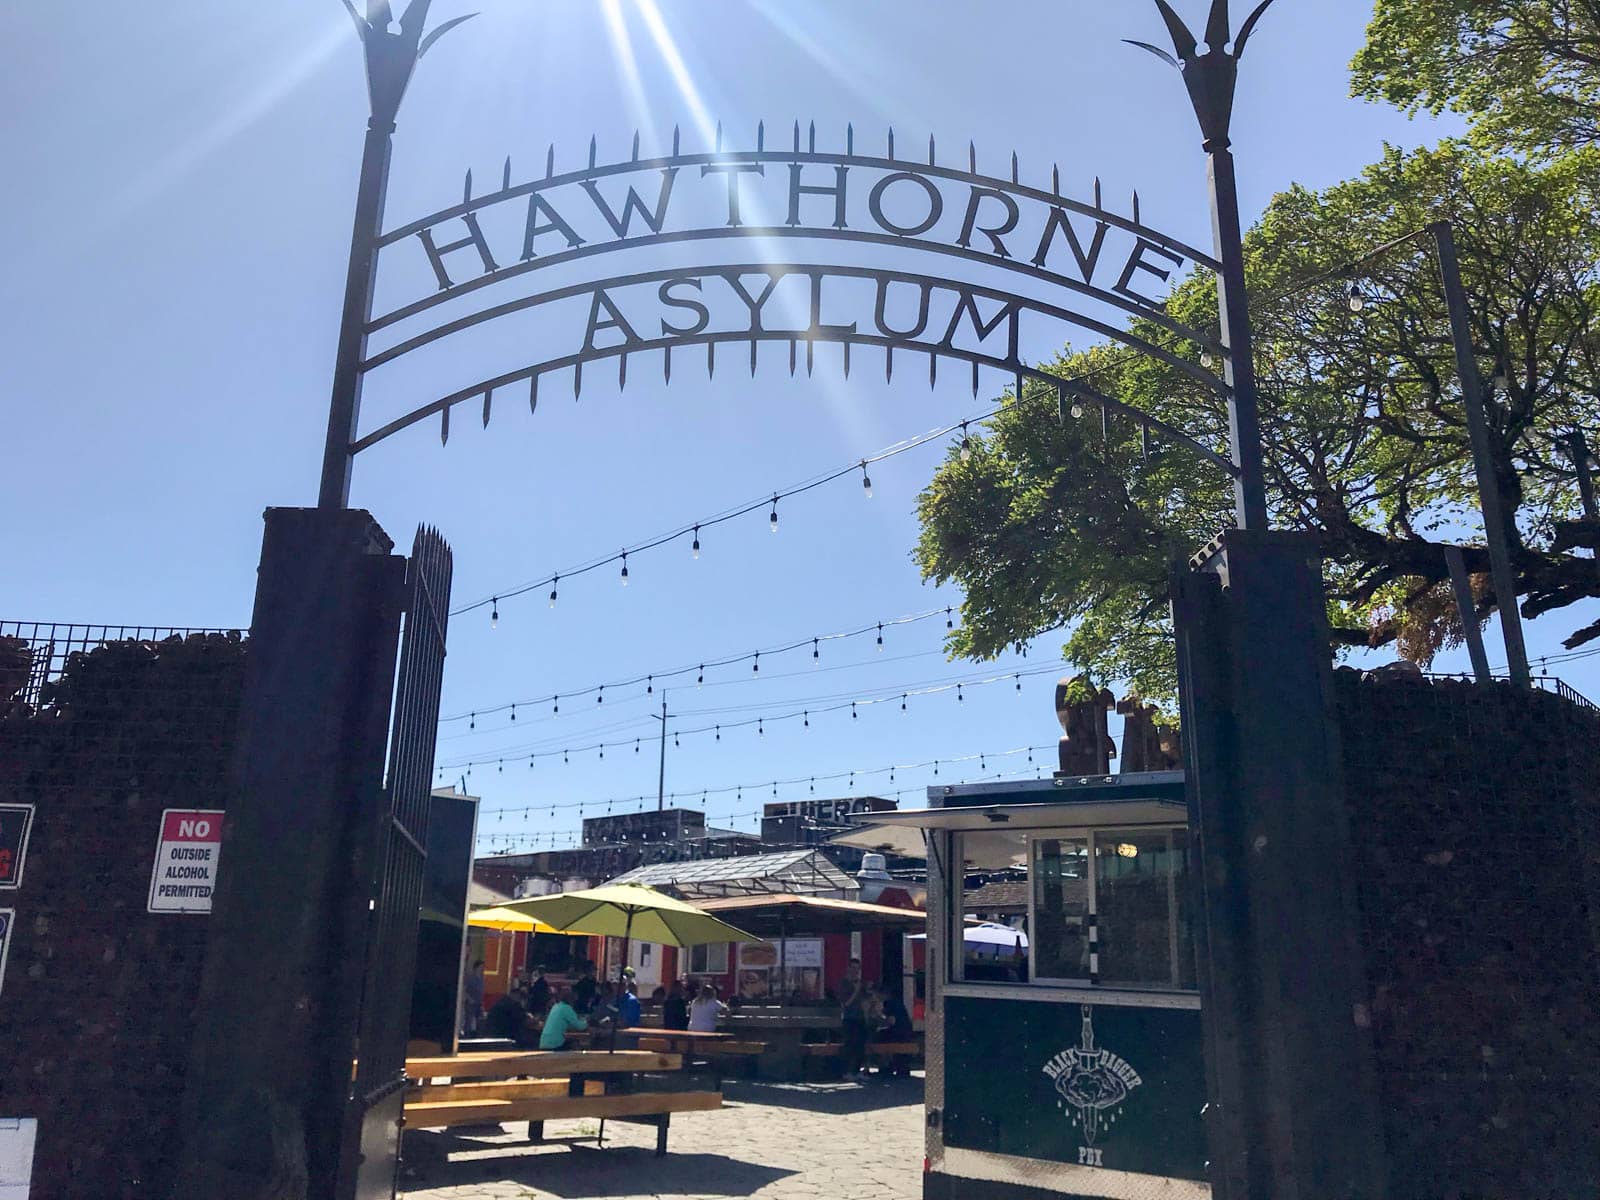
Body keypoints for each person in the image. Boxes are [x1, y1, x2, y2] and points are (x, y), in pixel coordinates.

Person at [839, 958, 869, 1076]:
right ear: (848, 968)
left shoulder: (859, 983)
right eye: (853, 968)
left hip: (860, 1017)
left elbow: (865, 999)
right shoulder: (844, 983)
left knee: (860, 1045)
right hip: (849, 1018)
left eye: (858, 968)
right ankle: (847, 1072)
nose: (855, 971)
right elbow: (846, 1003)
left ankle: (857, 1071)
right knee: (850, 1045)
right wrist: (856, 991)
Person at [538, 985, 589, 1050]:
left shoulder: (555, 1006)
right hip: (555, 1044)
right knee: (575, 1044)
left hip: (544, 1042)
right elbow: (580, 1026)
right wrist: (587, 1021)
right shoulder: (566, 1008)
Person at [463, 960, 485, 1036]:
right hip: (471, 1002)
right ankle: (466, 1036)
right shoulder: (470, 977)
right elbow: (464, 989)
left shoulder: (482, 978)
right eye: (481, 967)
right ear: (476, 967)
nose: (482, 968)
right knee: (468, 1020)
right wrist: (469, 998)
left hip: (479, 1002)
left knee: (480, 1020)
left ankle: (479, 1036)